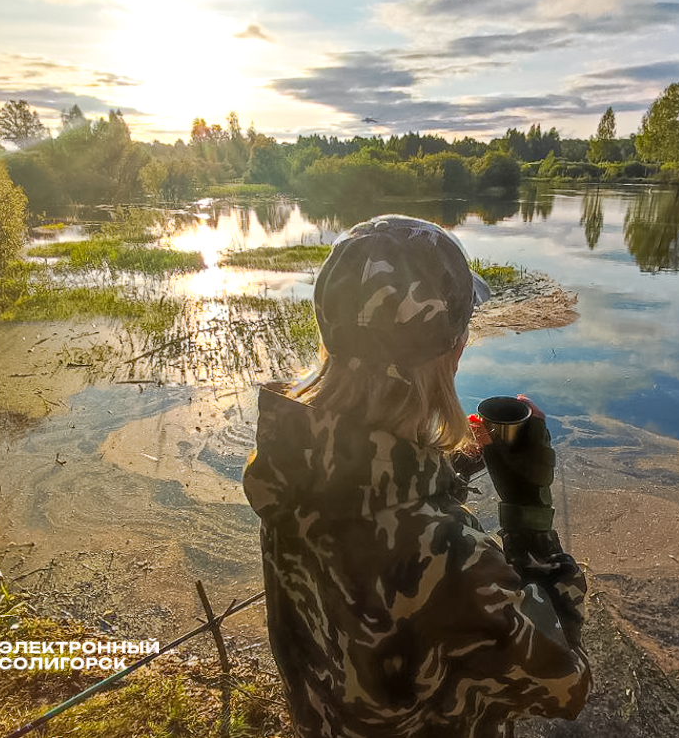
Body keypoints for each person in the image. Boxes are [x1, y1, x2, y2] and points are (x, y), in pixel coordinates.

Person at [243, 215, 590, 738]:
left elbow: (364, 498)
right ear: (451, 351)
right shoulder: (453, 560)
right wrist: (527, 511)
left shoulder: (286, 466)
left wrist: (443, 469)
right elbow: (566, 684)